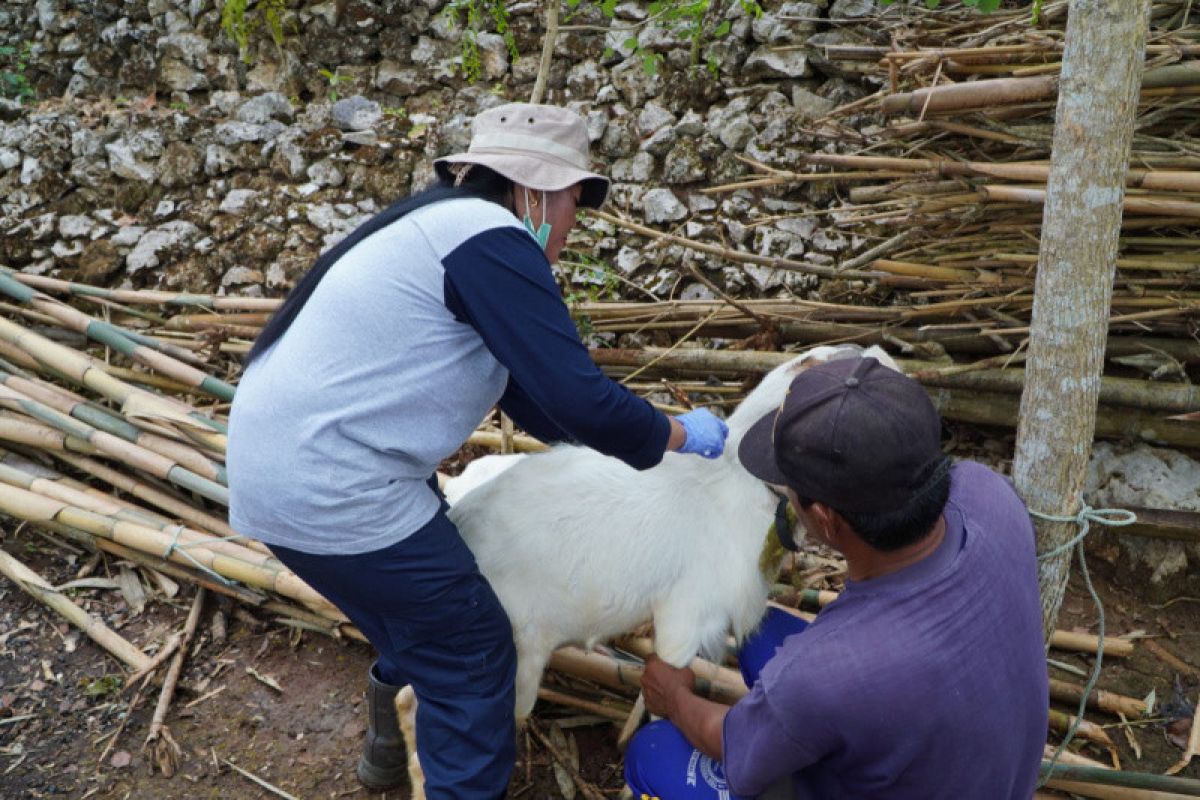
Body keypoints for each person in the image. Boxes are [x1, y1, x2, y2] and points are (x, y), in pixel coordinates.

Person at [226, 102, 729, 798]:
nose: (571, 225)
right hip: (335, 486)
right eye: (576, 203)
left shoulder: (439, 228)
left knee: (427, 613)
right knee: (472, 651)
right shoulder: (490, 239)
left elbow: (539, 402)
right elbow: (578, 396)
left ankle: (386, 740)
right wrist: (676, 436)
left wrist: (628, 450)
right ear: (539, 191)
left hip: (277, 476)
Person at [625, 356, 1049, 800]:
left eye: (786, 485)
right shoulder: (988, 493)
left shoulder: (823, 675)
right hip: (990, 773)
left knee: (653, 754)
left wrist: (673, 698)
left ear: (825, 518)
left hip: (871, 718)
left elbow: (728, 744)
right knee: (762, 634)